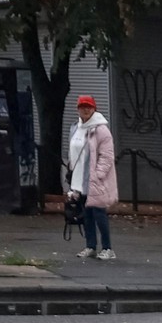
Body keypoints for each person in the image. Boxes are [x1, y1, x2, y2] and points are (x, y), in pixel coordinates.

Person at [67, 94, 117, 260]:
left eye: (89, 106)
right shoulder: (75, 127)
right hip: (80, 178)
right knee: (86, 214)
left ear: (94, 108)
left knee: (99, 213)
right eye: (82, 106)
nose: (86, 109)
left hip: (95, 179)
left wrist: (99, 174)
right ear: (78, 109)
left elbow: (107, 155)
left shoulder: (101, 129)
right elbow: (73, 152)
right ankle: (90, 246)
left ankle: (108, 248)